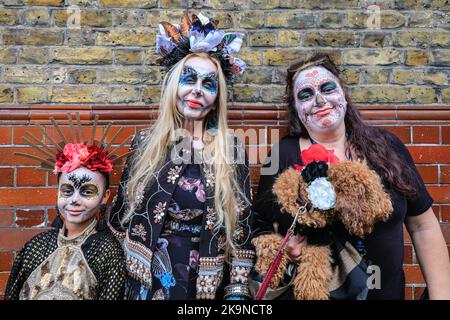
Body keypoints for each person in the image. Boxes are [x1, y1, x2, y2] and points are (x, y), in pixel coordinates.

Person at [252, 53, 450, 300]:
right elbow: (259, 225)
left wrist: (441, 296)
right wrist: (284, 248)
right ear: (296, 108)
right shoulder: (283, 154)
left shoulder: (387, 147)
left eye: (327, 88)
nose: (320, 99)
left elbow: (423, 226)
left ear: (343, 93)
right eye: (306, 94)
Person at [108, 13, 254, 300]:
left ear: (216, 100)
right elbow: (120, 217)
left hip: (205, 281)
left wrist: (237, 291)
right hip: (145, 278)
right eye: (189, 79)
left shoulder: (232, 149)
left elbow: (242, 225)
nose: (197, 90)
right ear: (174, 86)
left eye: (209, 84)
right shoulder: (145, 143)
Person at [5, 114, 127, 300]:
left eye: (87, 192)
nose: (74, 200)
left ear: (105, 196)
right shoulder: (36, 246)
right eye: (67, 190)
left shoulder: (107, 251)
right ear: (58, 192)